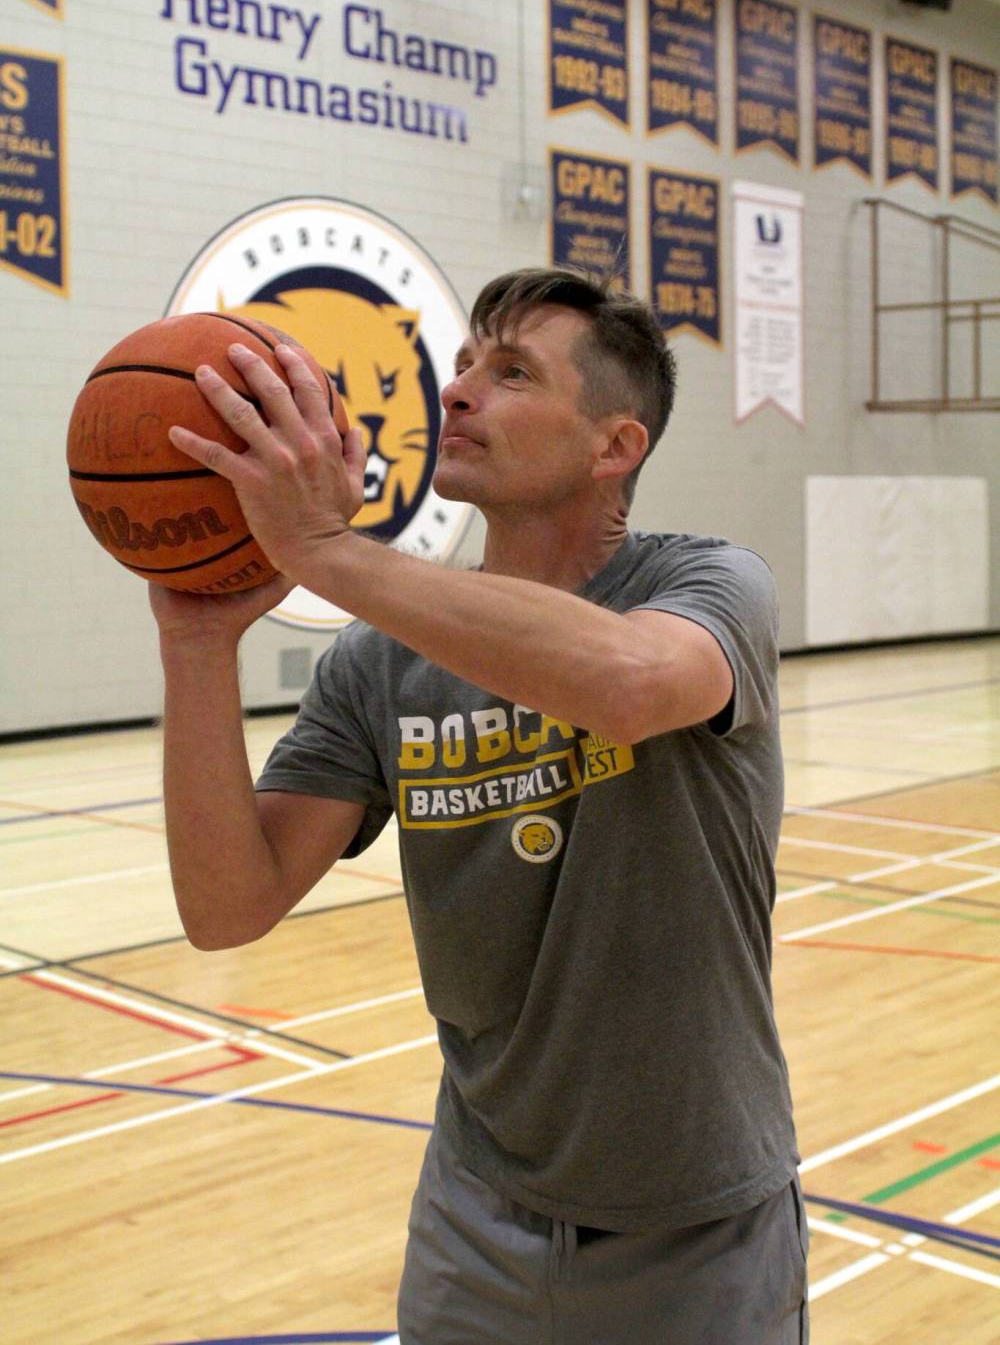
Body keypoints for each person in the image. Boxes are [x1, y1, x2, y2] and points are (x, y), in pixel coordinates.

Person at [150, 266, 808, 1344]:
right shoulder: (377, 664)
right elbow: (228, 906)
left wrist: (321, 551)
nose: (455, 393)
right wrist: (195, 646)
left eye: (510, 374)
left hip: (693, 1223)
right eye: (460, 366)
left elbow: (631, 686)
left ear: (615, 446)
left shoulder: (707, 586)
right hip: (474, 1212)